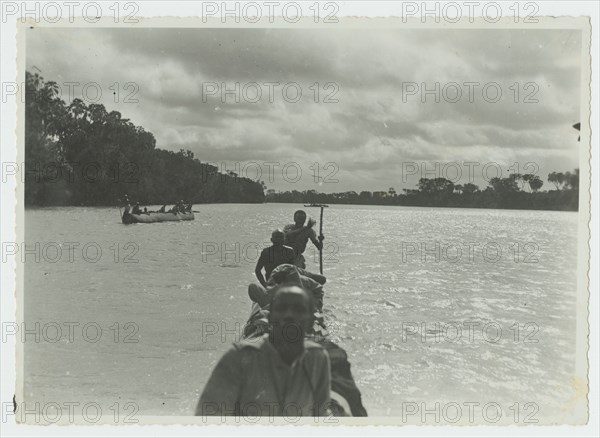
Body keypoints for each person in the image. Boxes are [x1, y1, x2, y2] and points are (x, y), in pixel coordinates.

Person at [196, 285, 332, 418]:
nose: (289, 315)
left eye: (298, 309)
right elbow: (208, 419)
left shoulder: (317, 359)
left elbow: (321, 417)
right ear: (270, 317)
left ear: (310, 322)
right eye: (282, 308)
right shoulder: (239, 357)